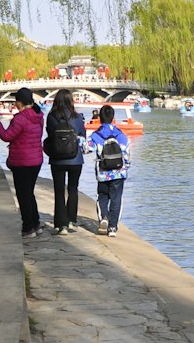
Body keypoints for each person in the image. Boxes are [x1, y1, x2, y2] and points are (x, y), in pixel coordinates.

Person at [0, 87, 45, 237]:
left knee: (23, 195)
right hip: (36, 159)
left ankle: (28, 227)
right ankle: (36, 224)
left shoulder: (20, 118)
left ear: (19, 102)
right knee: (30, 193)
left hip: (22, 161)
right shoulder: (39, 116)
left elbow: (6, 136)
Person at [44, 89, 86, 234]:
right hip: (75, 159)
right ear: (70, 101)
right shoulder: (78, 117)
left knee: (59, 190)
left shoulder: (51, 117)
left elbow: (49, 135)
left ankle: (61, 224)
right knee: (73, 189)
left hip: (57, 159)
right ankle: (71, 220)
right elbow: (82, 136)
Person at [86, 103, 130, 236]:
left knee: (102, 196)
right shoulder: (120, 135)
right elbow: (127, 153)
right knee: (116, 199)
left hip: (103, 173)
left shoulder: (96, 135)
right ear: (113, 117)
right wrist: (126, 166)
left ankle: (104, 217)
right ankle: (112, 228)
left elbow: (86, 148)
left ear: (100, 117)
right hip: (119, 172)